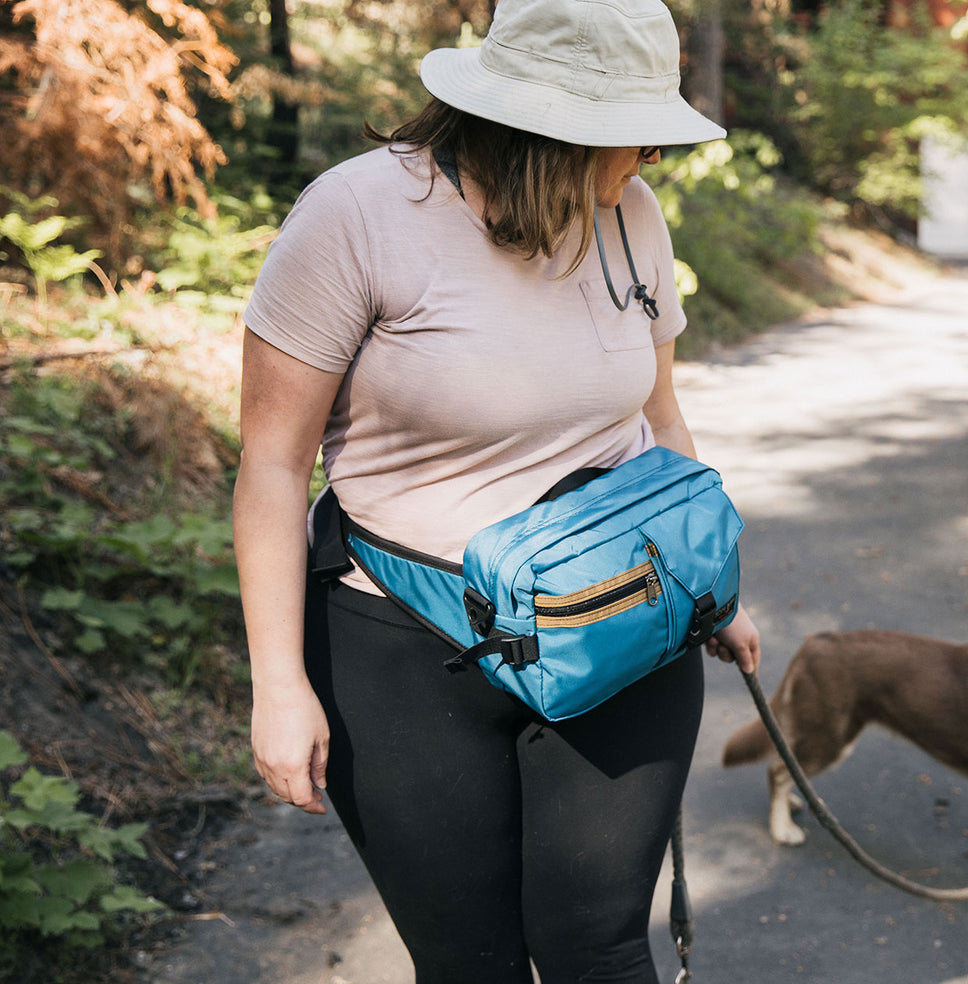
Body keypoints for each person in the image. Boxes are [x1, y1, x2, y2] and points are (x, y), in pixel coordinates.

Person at [231, 1, 761, 981]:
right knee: (468, 963)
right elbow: (270, 464)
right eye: (630, 131)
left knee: (598, 949)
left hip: (623, 623)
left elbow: (660, 420)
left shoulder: (631, 218)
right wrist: (278, 687)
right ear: (548, 131)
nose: (650, 155)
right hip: (405, 650)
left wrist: (710, 585)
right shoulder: (359, 218)